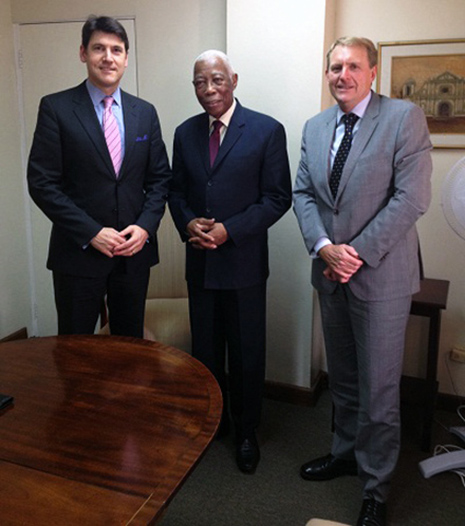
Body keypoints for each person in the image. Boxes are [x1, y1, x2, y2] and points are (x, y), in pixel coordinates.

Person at [293, 37, 432, 526]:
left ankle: (376, 488)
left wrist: (356, 253)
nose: (342, 75)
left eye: (353, 66)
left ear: (372, 72)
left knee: (378, 391)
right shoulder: (314, 127)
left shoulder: (403, 119)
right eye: (335, 67)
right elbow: (304, 194)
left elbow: (411, 199)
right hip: (329, 273)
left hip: (379, 276)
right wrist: (322, 246)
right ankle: (345, 453)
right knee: (345, 381)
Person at [169, 50, 291, 473]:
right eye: (200, 82)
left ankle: (245, 430)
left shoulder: (265, 130)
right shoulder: (184, 133)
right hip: (200, 263)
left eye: (217, 80)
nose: (209, 90)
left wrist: (230, 229)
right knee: (205, 352)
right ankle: (212, 423)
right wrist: (188, 223)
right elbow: (176, 192)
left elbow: (278, 198)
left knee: (245, 352)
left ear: (234, 79)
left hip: (242, 266)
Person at [27, 16, 171, 338]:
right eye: (99, 48)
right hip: (78, 256)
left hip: (133, 256)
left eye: (116, 50)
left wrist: (145, 228)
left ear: (126, 58)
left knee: (129, 352)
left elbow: (160, 179)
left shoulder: (144, 113)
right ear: (83, 53)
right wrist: (91, 232)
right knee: (76, 353)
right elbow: (42, 182)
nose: (108, 57)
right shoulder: (56, 108)